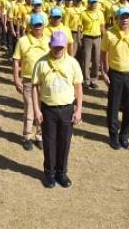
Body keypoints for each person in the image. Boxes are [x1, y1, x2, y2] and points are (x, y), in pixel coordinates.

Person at [32, 31, 83, 188]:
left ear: (65, 46)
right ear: (50, 45)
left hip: (67, 109)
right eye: (55, 47)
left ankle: (62, 173)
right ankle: (49, 173)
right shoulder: (41, 63)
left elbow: (78, 87)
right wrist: (36, 110)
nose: (58, 50)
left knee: (64, 142)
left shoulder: (72, 63)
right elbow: (34, 87)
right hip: (48, 110)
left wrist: (78, 110)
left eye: (61, 47)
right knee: (49, 142)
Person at [101, 6, 129, 150]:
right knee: (113, 107)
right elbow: (103, 53)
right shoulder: (109, 33)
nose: (125, 19)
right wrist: (104, 72)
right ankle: (113, 136)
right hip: (115, 74)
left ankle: (124, 136)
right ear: (117, 18)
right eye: (122, 17)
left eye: (127, 16)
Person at [13, 14, 50, 151]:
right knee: (29, 108)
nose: (38, 27)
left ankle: (39, 135)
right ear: (31, 26)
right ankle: (27, 136)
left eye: (40, 25)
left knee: (42, 109)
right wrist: (16, 78)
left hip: (45, 81)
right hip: (29, 80)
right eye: (35, 25)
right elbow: (16, 61)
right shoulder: (22, 41)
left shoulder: (48, 40)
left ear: (43, 26)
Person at [79, 0, 105, 89]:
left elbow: (102, 26)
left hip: (98, 38)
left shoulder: (100, 13)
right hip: (87, 38)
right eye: (92, 2)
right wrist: (79, 39)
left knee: (96, 59)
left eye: (95, 2)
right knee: (86, 60)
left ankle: (93, 79)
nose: (94, 4)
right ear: (88, 3)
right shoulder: (83, 13)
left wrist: (105, 38)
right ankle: (86, 80)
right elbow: (79, 27)